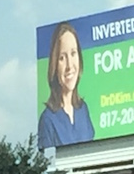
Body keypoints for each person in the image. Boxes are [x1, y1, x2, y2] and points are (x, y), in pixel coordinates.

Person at [37, 22, 95, 150]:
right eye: (62, 57)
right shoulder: (48, 120)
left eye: (73, 54)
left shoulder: (83, 110)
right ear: (54, 65)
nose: (69, 66)